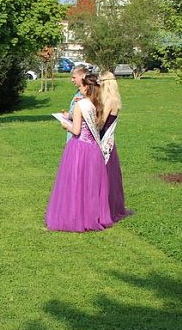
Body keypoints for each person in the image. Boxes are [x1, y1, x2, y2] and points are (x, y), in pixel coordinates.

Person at [45, 73, 113, 232]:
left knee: (75, 183)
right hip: (93, 149)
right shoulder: (97, 104)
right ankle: (91, 216)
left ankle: (75, 217)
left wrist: (64, 124)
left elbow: (75, 130)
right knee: (89, 185)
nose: (79, 88)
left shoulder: (80, 105)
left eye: (81, 86)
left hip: (79, 148)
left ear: (86, 88)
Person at [99, 71, 133, 222]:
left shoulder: (109, 101)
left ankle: (105, 208)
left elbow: (101, 123)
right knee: (111, 174)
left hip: (104, 140)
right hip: (110, 140)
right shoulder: (115, 100)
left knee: (105, 174)